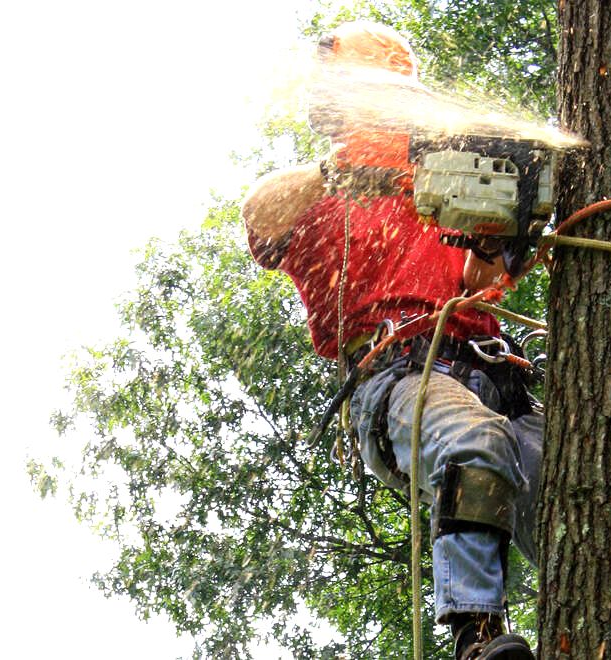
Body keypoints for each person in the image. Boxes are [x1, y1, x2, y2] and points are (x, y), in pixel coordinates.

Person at [241, 21, 542, 660]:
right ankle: (476, 636)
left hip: (495, 375)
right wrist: (342, 172)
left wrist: (497, 231)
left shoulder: (445, 186)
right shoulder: (320, 197)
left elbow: (478, 281)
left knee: (579, 487)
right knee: (473, 442)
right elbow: (260, 213)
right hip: (399, 377)